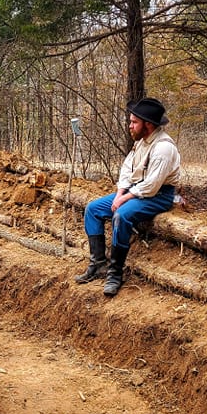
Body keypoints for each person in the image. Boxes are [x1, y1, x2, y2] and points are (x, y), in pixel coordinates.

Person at [75, 97, 181, 297]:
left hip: (158, 195)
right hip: (136, 189)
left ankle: (115, 273)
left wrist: (124, 200)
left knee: (121, 216)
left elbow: (151, 185)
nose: (130, 125)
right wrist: (120, 193)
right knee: (93, 209)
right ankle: (98, 264)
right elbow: (127, 169)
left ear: (148, 124)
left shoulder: (163, 148)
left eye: (134, 122)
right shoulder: (141, 142)